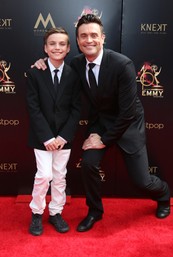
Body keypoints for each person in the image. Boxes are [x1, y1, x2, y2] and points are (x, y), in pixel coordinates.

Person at [33, 14, 171, 232]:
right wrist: (41, 63)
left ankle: (164, 195)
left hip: (128, 123)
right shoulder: (77, 64)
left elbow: (126, 113)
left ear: (103, 38)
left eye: (93, 35)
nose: (89, 40)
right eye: (83, 36)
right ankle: (95, 211)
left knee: (142, 180)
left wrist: (104, 140)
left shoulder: (122, 64)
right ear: (77, 42)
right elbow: (56, 64)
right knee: (88, 163)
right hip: (101, 121)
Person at [26, 27, 81, 235]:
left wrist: (62, 136)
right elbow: (33, 108)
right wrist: (48, 137)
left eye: (61, 44)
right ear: (45, 48)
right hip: (41, 138)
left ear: (68, 48)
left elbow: (76, 109)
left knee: (60, 176)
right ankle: (37, 212)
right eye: (52, 44)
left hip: (63, 138)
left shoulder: (74, 75)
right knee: (44, 175)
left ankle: (56, 212)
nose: (56, 47)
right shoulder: (34, 73)